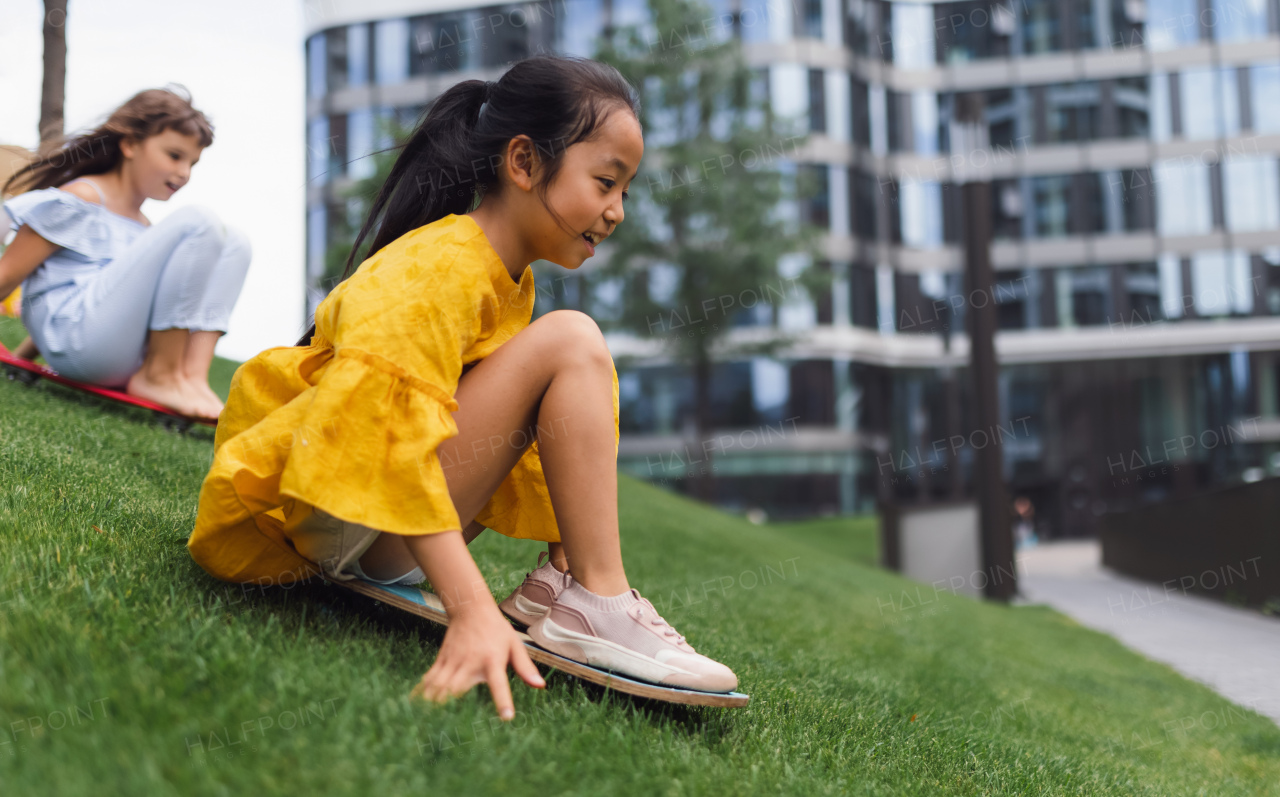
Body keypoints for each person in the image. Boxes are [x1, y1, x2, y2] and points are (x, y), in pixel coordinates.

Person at [187, 55, 738, 722]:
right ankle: (598, 601)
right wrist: (472, 607)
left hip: (365, 527)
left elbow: (514, 423)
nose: (617, 211)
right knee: (573, 342)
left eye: (625, 190)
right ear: (525, 163)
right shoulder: (441, 265)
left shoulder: (506, 277)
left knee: (567, 350)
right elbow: (385, 437)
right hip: (337, 513)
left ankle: (567, 584)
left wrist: (560, 549)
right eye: (605, 182)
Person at [0, 86, 251, 420]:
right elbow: (17, 279)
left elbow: (104, 298)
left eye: (192, 163)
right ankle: (160, 376)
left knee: (236, 242)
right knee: (199, 222)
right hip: (79, 345)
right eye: (174, 156)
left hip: (114, 353)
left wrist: (24, 359)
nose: (184, 173)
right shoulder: (82, 197)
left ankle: (189, 377)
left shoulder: (146, 229)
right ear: (130, 144)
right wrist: (41, 351)